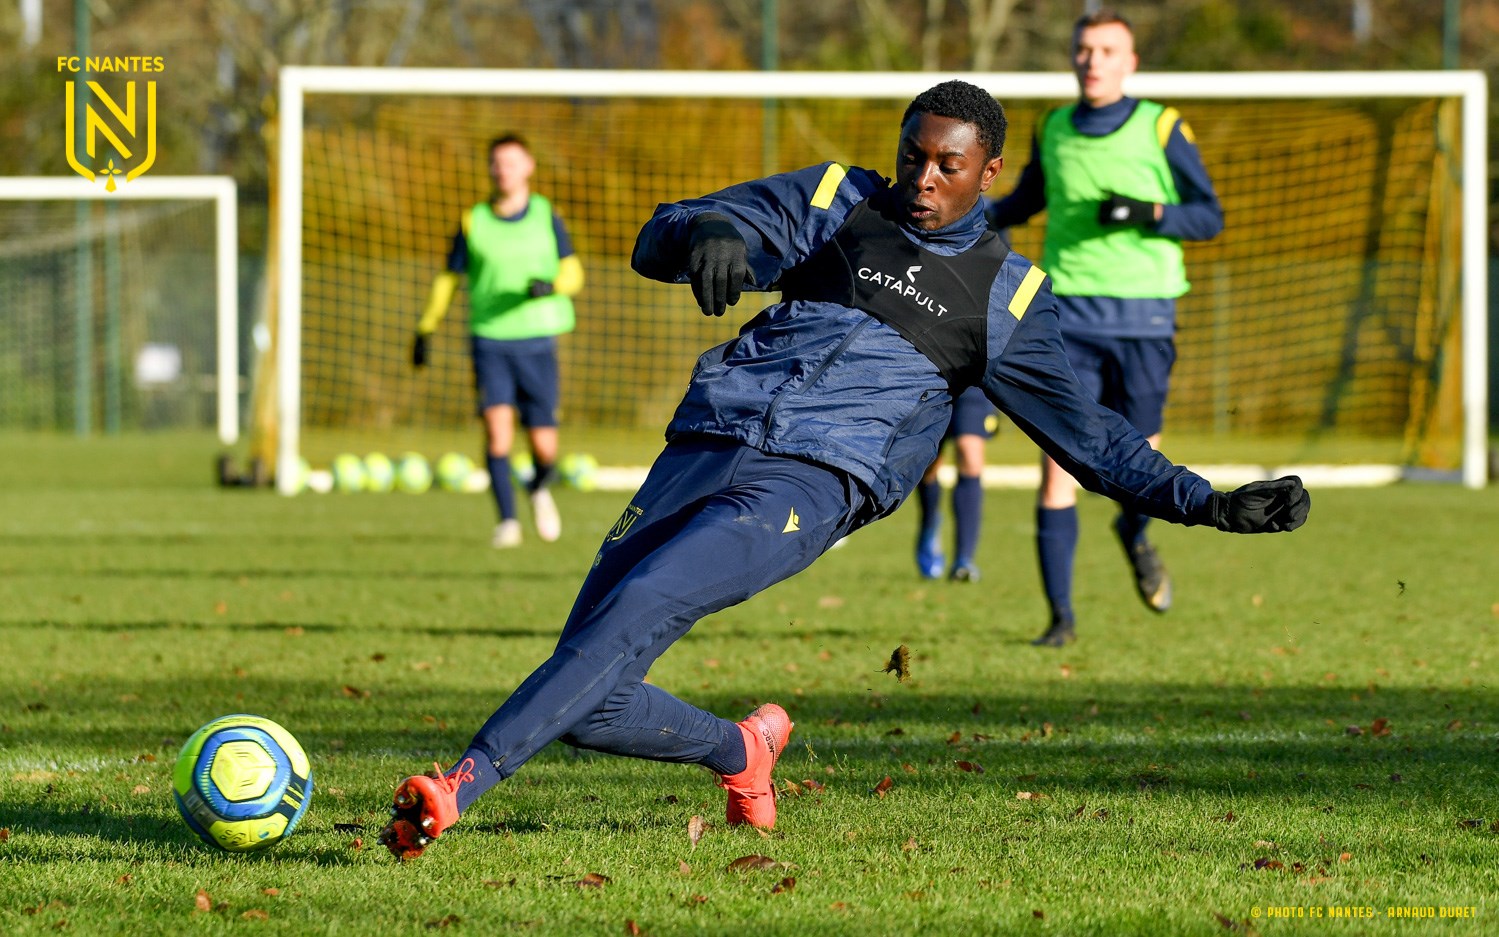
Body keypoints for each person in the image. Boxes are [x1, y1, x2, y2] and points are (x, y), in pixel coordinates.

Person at [379, 80, 1307, 861]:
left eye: (947, 165)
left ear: (989, 173)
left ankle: (460, 784)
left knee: (642, 605)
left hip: (814, 481)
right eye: (913, 157)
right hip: (705, 438)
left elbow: (1093, 439)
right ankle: (742, 748)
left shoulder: (1006, 298)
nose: (922, 180)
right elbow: (670, 229)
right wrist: (707, 235)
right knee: (589, 689)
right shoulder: (841, 201)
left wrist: (1210, 505)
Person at [987, 9, 1224, 647]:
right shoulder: (1055, 126)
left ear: (1130, 62)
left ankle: (1135, 533)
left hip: (1146, 318)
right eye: (1084, 48)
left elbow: (1208, 217)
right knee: (1057, 461)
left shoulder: (1162, 125)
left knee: (1138, 457)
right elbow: (1024, 201)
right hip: (1067, 314)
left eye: (1107, 50)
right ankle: (1060, 620)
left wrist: (1148, 212)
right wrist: (967, 213)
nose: (1092, 60)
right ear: (1071, 56)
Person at [412, 133, 584, 548]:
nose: (502, 169)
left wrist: (553, 286)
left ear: (528, 168)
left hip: (538, 340)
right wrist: (425, 327)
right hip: (490, 341)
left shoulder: (546, 215)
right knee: (497, 433)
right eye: (496, 163)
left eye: (510, 162)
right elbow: (449, 278)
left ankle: (538, 488)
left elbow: (574, 272)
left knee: (545, 447)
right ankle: (507, 522)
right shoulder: (473, 221)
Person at [914, 386, 1000, 582]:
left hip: (974, 385)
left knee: (969, 455)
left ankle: (964, 560)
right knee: (928, 463)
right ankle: (930, 522)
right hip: (936, 378)